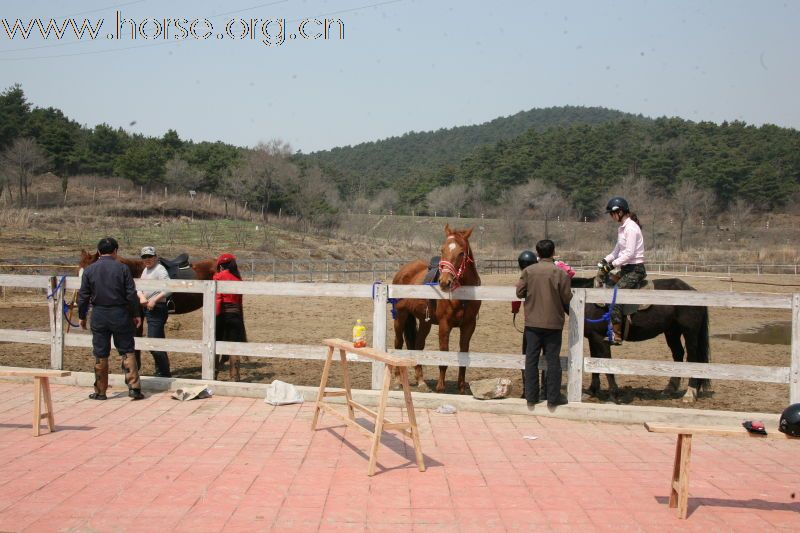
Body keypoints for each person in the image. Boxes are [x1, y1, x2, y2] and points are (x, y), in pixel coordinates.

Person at [77, 237, 144, 400]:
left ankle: (100, 391)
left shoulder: (89, 270)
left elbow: (83, 296)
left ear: (98, 252)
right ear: (115, 251)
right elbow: (131, 293)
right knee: (127, 350)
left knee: (100, 352)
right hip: (120, 313)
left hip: (99, 314)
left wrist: (82, 316)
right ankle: (134, 388)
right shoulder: (122, 269)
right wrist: (136, 314)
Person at [515, 239, 572, 408]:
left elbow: (519, 293)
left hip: (532, 323)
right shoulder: (560, 273)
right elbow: (567, 297)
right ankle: (553, 397)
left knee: (531, 360)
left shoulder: (529, 271)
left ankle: (531, 396)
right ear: (553, 252)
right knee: (553, 360)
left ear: (537, 253)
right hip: (554, 323)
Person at [599, 196, 646, 345]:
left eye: (612, 214)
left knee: (616, 294)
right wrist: (605, 261)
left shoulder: (631, 228)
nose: (612, 217)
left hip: (635, 270)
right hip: (625, 269)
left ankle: (617, 334)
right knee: (607, 283)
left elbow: (629, 254)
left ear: (619, 212)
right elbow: (616, 251)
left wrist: (612, 266)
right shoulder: (622, 229)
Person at [137, 246, 172, 378]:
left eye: (150, 257)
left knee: (153, 341)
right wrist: (141, 297)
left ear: (155, 257)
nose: (147, 259)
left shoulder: (160, 269)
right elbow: (138, 287)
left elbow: (169, 287)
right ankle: (163, 370)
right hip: (148, 309)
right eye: (144, 257)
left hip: (157, 309)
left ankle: (164, 372)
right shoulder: (145, 271)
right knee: (157, 340)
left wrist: (154, 300)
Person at [214, 253, 246, 381]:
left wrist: (215, 316)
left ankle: (213, 374)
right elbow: (240, 301)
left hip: (222, 314)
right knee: (234, 346)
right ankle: (235, 376)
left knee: (215, 344)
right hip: (236, 314)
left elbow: (218, 298)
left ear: (221, 265)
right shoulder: (238, 278)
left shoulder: (218, 276)